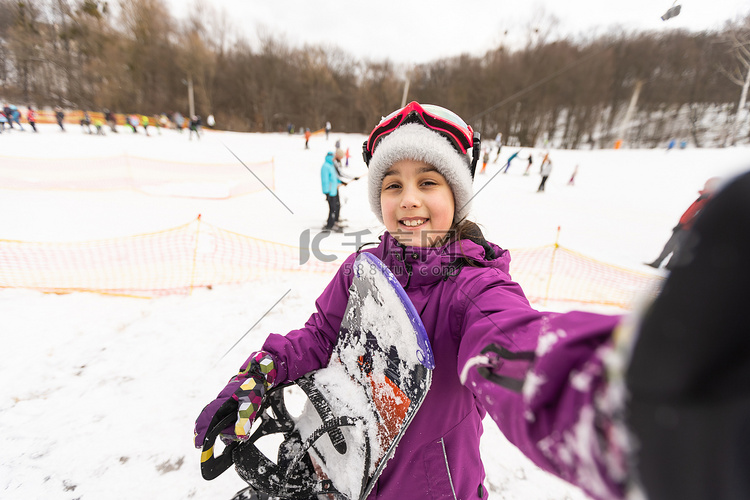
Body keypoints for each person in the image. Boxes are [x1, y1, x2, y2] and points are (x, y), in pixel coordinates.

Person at [192, 101, 748, 500]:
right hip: (345, 470)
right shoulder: (364, 268)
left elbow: (519, 353)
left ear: (456, 192)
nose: (409, 200)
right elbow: (319, 336)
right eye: (393, 185)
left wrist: (626, 402)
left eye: (428, 182)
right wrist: (259, 373)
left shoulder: (474, 288)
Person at [646, 177, 720, 270]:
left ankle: (664, 264)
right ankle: (668, 265)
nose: (705, 185)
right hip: (688, 227)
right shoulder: (710, 197)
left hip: (686, 227)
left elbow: (693, 212)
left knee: (674, 245)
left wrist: (682, 223)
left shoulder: (707, 196)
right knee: (676, 246)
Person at [320, 149, 347, 231]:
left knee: (336, 206)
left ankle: (334, 222)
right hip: (330, 191)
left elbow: (334, 178)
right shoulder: (325, 166)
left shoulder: (331, 166)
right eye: (333, 157)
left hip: (334, 190)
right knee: (333, 208)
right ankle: (330, 225)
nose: (334, 158)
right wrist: (327, 192)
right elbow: (325, 181)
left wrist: (341, 182)